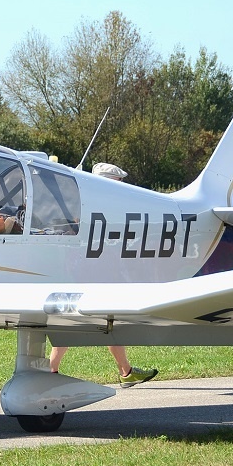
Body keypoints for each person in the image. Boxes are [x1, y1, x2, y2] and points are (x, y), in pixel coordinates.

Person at [50, 160, 157, 388]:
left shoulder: (83, 203)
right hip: (94, 273)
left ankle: (125, 371)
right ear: (109, 183)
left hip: (88, 271)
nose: (121, 186)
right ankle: (124, 372)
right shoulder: (106, 206)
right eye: (118, 182)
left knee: (77, 325)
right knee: (95, 324)